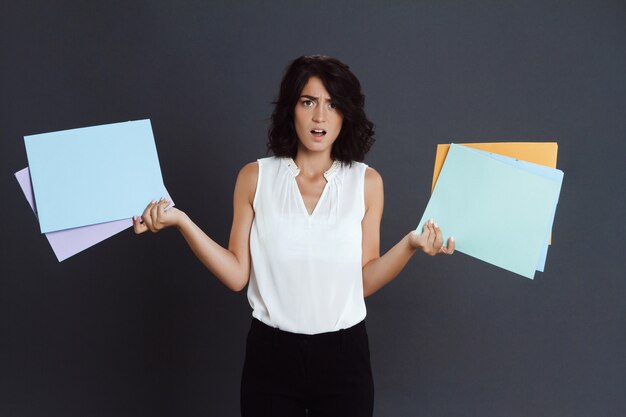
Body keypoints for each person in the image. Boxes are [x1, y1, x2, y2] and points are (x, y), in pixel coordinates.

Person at [133, 55, 455, 417]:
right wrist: (181, 222)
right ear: (291, 109)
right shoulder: (255, 177)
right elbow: (238, 275)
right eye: (308, 102)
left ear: (346, 114)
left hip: (344, 357)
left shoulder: (367, 183)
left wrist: (411, 244)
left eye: (332, 104)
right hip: (271, 357)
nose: (320, 116)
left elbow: (363, 279)